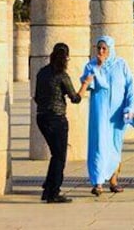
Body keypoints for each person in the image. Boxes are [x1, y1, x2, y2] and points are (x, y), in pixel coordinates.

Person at [80, 35, 134, 196]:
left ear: (111, 49)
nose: (101, 51)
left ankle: (113, 180)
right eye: (99, 48)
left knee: (115, 146)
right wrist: (97, 67)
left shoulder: (121, 64)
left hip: (116, 114)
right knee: (98, 145)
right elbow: (88, 84)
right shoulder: (91, 65)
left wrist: (130, 107)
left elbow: (130, 88)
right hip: (99, 113)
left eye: (104, 48)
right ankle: (97, 183)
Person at [34, 42, 83, 203]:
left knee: (56, 155)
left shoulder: (41, 73)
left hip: (41, 118)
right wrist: (85, 84)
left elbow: (36, 97)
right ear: (66, 57)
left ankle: (48, 188)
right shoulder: (61, 75)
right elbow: (75, 98)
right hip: (57, 119)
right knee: (59, 157)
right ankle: (53, 192)